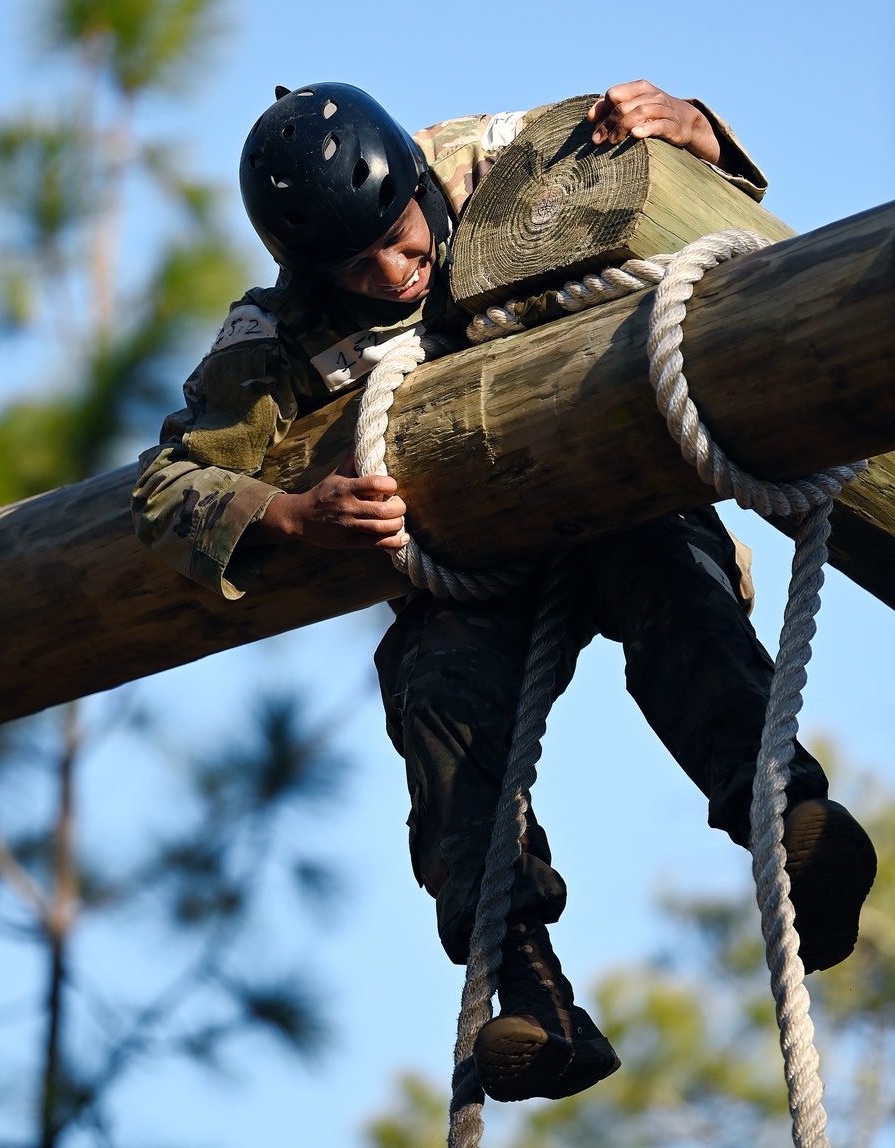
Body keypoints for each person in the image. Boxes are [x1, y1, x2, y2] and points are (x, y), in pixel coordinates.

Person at [132, 80, 877, 1104]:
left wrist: (694, 129)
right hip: (471, 564)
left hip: (615, 487)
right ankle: (526, 984)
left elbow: (709, 209)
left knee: (674, 594)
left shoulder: (502, 158)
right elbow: (169, 484)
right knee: (436, 695)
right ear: (308, 270)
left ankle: (789, 823)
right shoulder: (273, 332)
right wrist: (290, 513)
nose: (399, 271)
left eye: (402, 238)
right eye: (360, 266)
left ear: (412, 181)